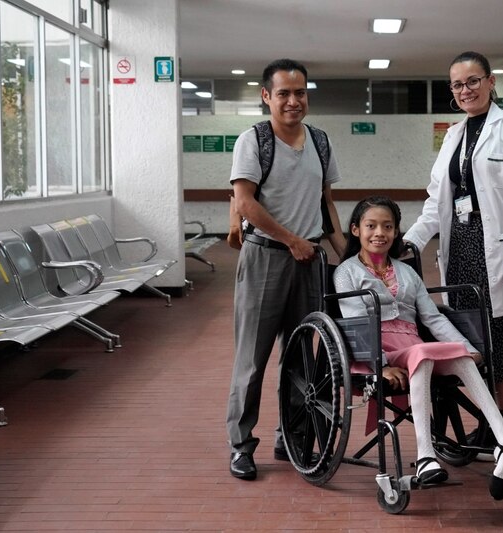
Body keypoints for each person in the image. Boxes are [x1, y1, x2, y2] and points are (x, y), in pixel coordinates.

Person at [334, 196, 503, 500]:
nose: (379, 233)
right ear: (356, 230)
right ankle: (426, 456)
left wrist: (465, 346)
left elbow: (433, 317)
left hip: (413, 344)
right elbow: (356, 322)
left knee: (458, 357)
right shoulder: (346, 272)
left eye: (387, 226)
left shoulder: (406, 272)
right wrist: (380, 364)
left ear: (396, 232)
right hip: (378, 348)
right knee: (423, 355)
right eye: (371, 226)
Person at [403, 51, 503, 435]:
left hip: (499, 249)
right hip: (461, 246)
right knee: (468, 340)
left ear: (490, 81)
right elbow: (438, 200)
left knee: (502, 341)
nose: (465, 90)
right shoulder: (453, 134)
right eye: (457, 84)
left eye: (473, 81)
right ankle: (487, 423)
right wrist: (410, 240)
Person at [226, 58, 346, 481]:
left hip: (310, 261)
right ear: (266, 96)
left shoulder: (320, 141)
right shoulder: (253, 140)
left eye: (300, 93)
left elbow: (325, 201)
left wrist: (347, 253)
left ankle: (290, 435)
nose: (293, 101)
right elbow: (245, 203)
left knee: (301, 357)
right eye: (284, 94)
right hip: (266, 260)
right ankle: (241, 445)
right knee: (252, 360)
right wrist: (290, 239)